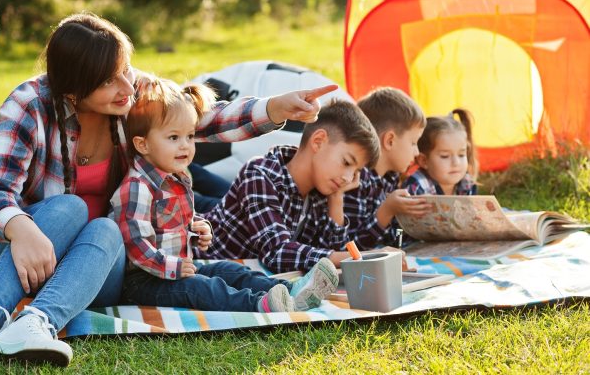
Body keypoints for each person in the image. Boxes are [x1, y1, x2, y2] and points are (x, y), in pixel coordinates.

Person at [0, 12, 340, 367]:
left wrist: (273, 109)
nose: (128, 89)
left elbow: (193, 117)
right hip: (19, 251)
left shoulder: (127, 96)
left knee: (101, 224)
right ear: (71, 90)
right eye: (112, 81)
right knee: (59, 209)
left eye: (127, 72)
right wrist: (21, 230)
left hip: (89, 264)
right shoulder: (28, 106)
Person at [110, 75, 338, 313]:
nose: (185, 146)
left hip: (176, 268)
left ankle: (290, 291)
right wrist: (172, 266)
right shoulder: (137, 187)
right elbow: (136, 244)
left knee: (230, 271)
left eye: (189, 136)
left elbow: (173, 220)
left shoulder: (175, 177)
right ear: (142, 144)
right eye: (173, 138)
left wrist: (196, 227)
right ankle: (259, 305)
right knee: (202, 288)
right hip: (144, 280)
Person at [195, 100, 380, 271]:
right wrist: (356, 257)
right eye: (347, 162)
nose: (349, 178)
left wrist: (336, 198)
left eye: (356, 172)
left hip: (254, 285)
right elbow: (276, 252)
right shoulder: (261, 174)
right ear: (318, 141)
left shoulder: (320, 193)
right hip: (206, 274)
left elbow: (333, 260)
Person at [342, 87, 432, 250]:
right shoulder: (355, 180)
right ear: (390, 140)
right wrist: (387, 210)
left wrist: (409, 223)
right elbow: (352, 247)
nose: (417, 152)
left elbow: (393, 238)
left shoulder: (390, 178)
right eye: (413, 143)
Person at [404, 109, 478, 196]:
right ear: (423, 160)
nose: (456, 163)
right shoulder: (416, 186)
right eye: (445, 156)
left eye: (461, 155)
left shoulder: (467, 184)